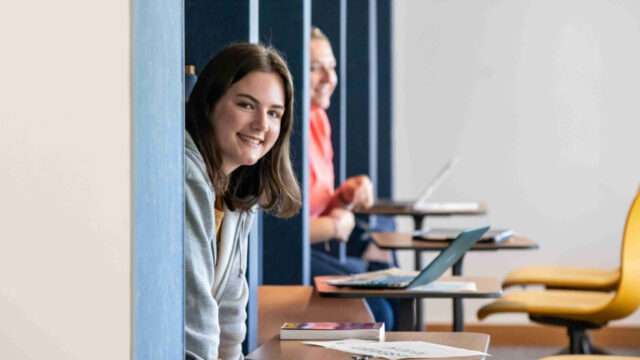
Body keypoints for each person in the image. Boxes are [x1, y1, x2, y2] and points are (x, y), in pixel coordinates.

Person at [185, 43, 301, 360]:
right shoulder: (187, 178)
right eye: (247, 105)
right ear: (209, 102)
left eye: (274, 113)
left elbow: (230, 317)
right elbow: (195, 323)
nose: (262, 124)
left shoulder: (237, 189)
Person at [308, 26, 396, 329]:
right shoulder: (284, 129)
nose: (328, 79)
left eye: (331, 67)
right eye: (313, 69)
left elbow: (318, 201)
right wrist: (334, 225)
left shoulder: (318, 117)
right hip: (298, 253)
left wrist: (346, 195)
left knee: (389, 275)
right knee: (380, 312)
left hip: (324, 241)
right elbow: (280, 236)